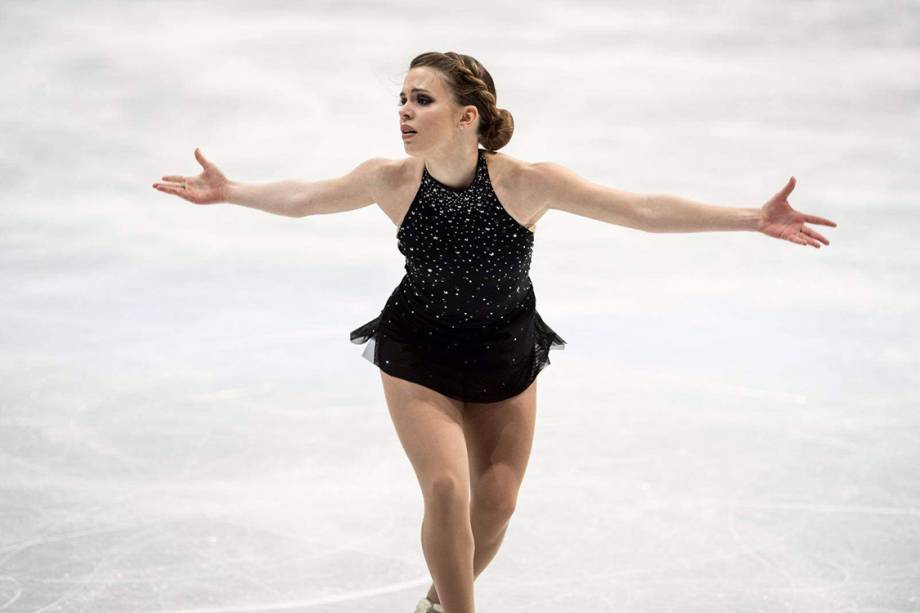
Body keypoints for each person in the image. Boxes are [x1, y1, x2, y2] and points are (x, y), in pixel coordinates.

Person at [152, 51, 837, 613]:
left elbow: (643, 211)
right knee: (447, 489)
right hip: (417, 352)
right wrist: (231, 190)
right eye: (401, 98)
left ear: (466, 115)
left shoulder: (525, 184)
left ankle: (434, 603)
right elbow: (304, 199)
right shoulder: (391, 181)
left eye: (421, 99)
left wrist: (752, 217)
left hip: (506, 353)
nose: (404, 112)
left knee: (498, 506)